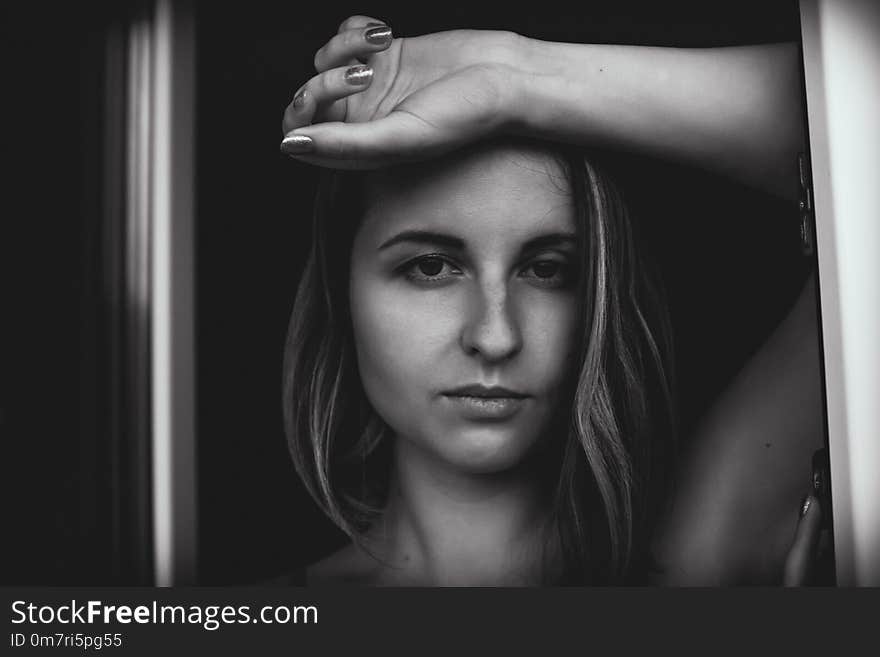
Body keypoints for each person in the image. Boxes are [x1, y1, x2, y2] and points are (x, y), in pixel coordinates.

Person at [278, 17, 827, 585]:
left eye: (546, 270)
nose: (495, 337)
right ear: (342, 294)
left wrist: (513, 75)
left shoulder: (697, 568)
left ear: (601, 293)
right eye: (431, 267)